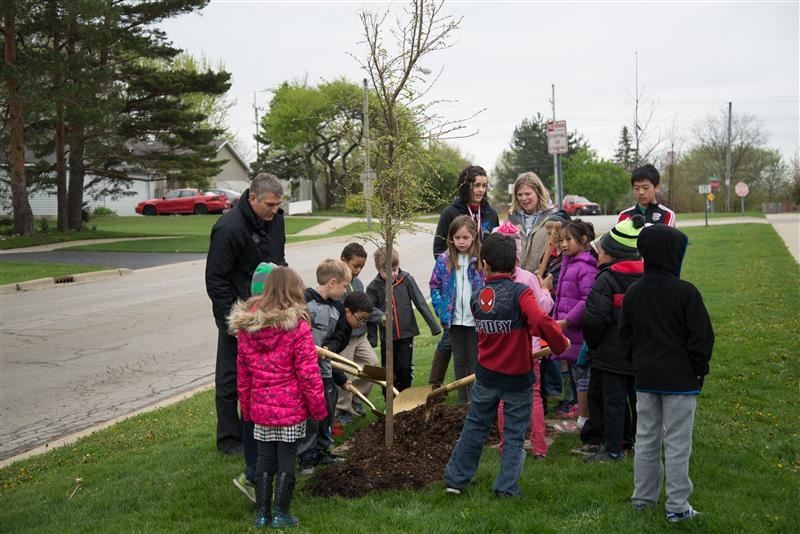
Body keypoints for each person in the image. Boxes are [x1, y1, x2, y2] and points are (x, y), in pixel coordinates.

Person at [443, 233, 569, 498]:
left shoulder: (477, 296)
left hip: (487, 376)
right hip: (516, 378)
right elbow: (541, 321)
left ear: (484, 264)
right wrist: (560, 344)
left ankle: (455, 480)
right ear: (515, 263)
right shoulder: (520, 293)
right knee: (513, 435)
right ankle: (506, 488)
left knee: (474, 428)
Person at [620, 224, 714, 522]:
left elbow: (626, 336)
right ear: (673, 255)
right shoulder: (686, 293)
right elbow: (702, 338)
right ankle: (677, 506)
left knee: (646, 439)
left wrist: (636, 364)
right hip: (680, 382)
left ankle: (643, 499)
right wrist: (699, 371)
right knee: (677, 443)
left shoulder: (634, 292)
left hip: (646, 379)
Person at [206, 173, 286, 498]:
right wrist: (234, 320)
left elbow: (278, 261)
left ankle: (258, 432)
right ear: (252, 198)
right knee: (230, 377)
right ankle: (229, 439)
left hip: (268, 312)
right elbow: (216, 280)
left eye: (278, 205)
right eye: (270, 205)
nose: (274, 211)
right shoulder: (228, 228)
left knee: (264, 377)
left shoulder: (275, 220)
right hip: (237, 314)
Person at [228, 266, 326, 528]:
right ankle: (281, 514)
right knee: (286, 460)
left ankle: (262, 515)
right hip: (290, 408)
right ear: (294, 289)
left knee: (264, 459)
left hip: (261, 406)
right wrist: (318, 408)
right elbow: (308, 373)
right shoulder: (298, 326)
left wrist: (246, 408)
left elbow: (243, 373)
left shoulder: (247, 327)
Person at [578, 215, 645, 462]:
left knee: (614, 403)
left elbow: (594, 320)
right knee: (640, 403)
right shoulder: (647, 277)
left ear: (613, 254)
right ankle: (641, 445)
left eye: (602, 250)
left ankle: (614, 449)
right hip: (641, 354)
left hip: (610, 357)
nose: (598, 255)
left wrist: (595, 346)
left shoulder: (606, 279)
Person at [430, 165, 499, 389]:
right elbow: (439, 246)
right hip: (455, 287)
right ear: (465, 185)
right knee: (452, 344)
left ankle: (475, 392)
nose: (480, 190)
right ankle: (436, 385)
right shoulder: (451, 212)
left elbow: (497, 246)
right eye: (475, 185)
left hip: (480, 286)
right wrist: (451, 272)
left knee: (473, 350)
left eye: (484, 185)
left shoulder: (490, 213)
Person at [491, 221, 553, 459]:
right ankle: (539, 447)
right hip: (530, 350)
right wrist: (545, 289)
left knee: (503, 399)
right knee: (533, 395)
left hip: (502, 352)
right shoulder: (528, 278)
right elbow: (543, 309)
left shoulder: (491, 282)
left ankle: (506, 445)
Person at [298, 259, 353, 475]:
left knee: (327, 411)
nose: (345, 290)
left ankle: (322, 450)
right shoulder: (304, 303)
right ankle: (306, 457)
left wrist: (329, 347)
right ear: (332, 283)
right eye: (343, 285)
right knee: (311, 415)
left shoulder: (336, 306)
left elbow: (338, 334)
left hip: (326, 370)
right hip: (308, 373)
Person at [367, 247, 442, 391]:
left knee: (405, 367)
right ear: (378, 268)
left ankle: (405, 393)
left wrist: (434, 327)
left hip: (407, 333)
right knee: (388, 370)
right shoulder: (373, 287)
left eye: (394, 270)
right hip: (387, 337)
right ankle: (389, 401)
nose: (392, 275)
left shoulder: (406, 279)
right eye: (386, 272)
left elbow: (420, 302)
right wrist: (372, 338)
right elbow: (369, 312)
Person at [429, 215, 484, 403]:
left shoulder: (480, 261)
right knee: (459, 360)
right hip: (453, 320)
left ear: (474, 237)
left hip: (474, 320)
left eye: (465, 238)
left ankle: (476, 399)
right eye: (457, 237)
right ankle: (463, 400)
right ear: (451, 238)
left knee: (474, 360)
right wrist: (440, 307)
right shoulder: (444, 260)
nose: (461, 242)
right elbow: (434, 285)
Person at [551, 220, 598, 430]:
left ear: (584, 240)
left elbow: (587, 299)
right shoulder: (568, 263)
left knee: (582, 377)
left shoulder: (585, 267)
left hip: (577, 331)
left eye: (568, 240)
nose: (563, 244)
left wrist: (568, 320)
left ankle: (585, 420)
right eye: (561, 240)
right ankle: (583, 417)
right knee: (575, 375)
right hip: (568, 331)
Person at [335, 243, 382, 424]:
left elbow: (366, 308)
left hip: (360, 336)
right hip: (345, 339)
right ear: (343, 261)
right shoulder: (338, 285)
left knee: (372, 364)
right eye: (355, 265)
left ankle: (357, 399)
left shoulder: (359, 283)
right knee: (344, 373)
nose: (358, 270)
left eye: (361, 266)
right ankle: (342, 411)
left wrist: (381, 317)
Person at [507, 172, 558, 275]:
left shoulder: (553, 218)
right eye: (519, 195)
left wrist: (546, 273)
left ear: (538, 193)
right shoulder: (511, 220)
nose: (523, 198)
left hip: (541, 281)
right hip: (515, 282)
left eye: (527, 194)